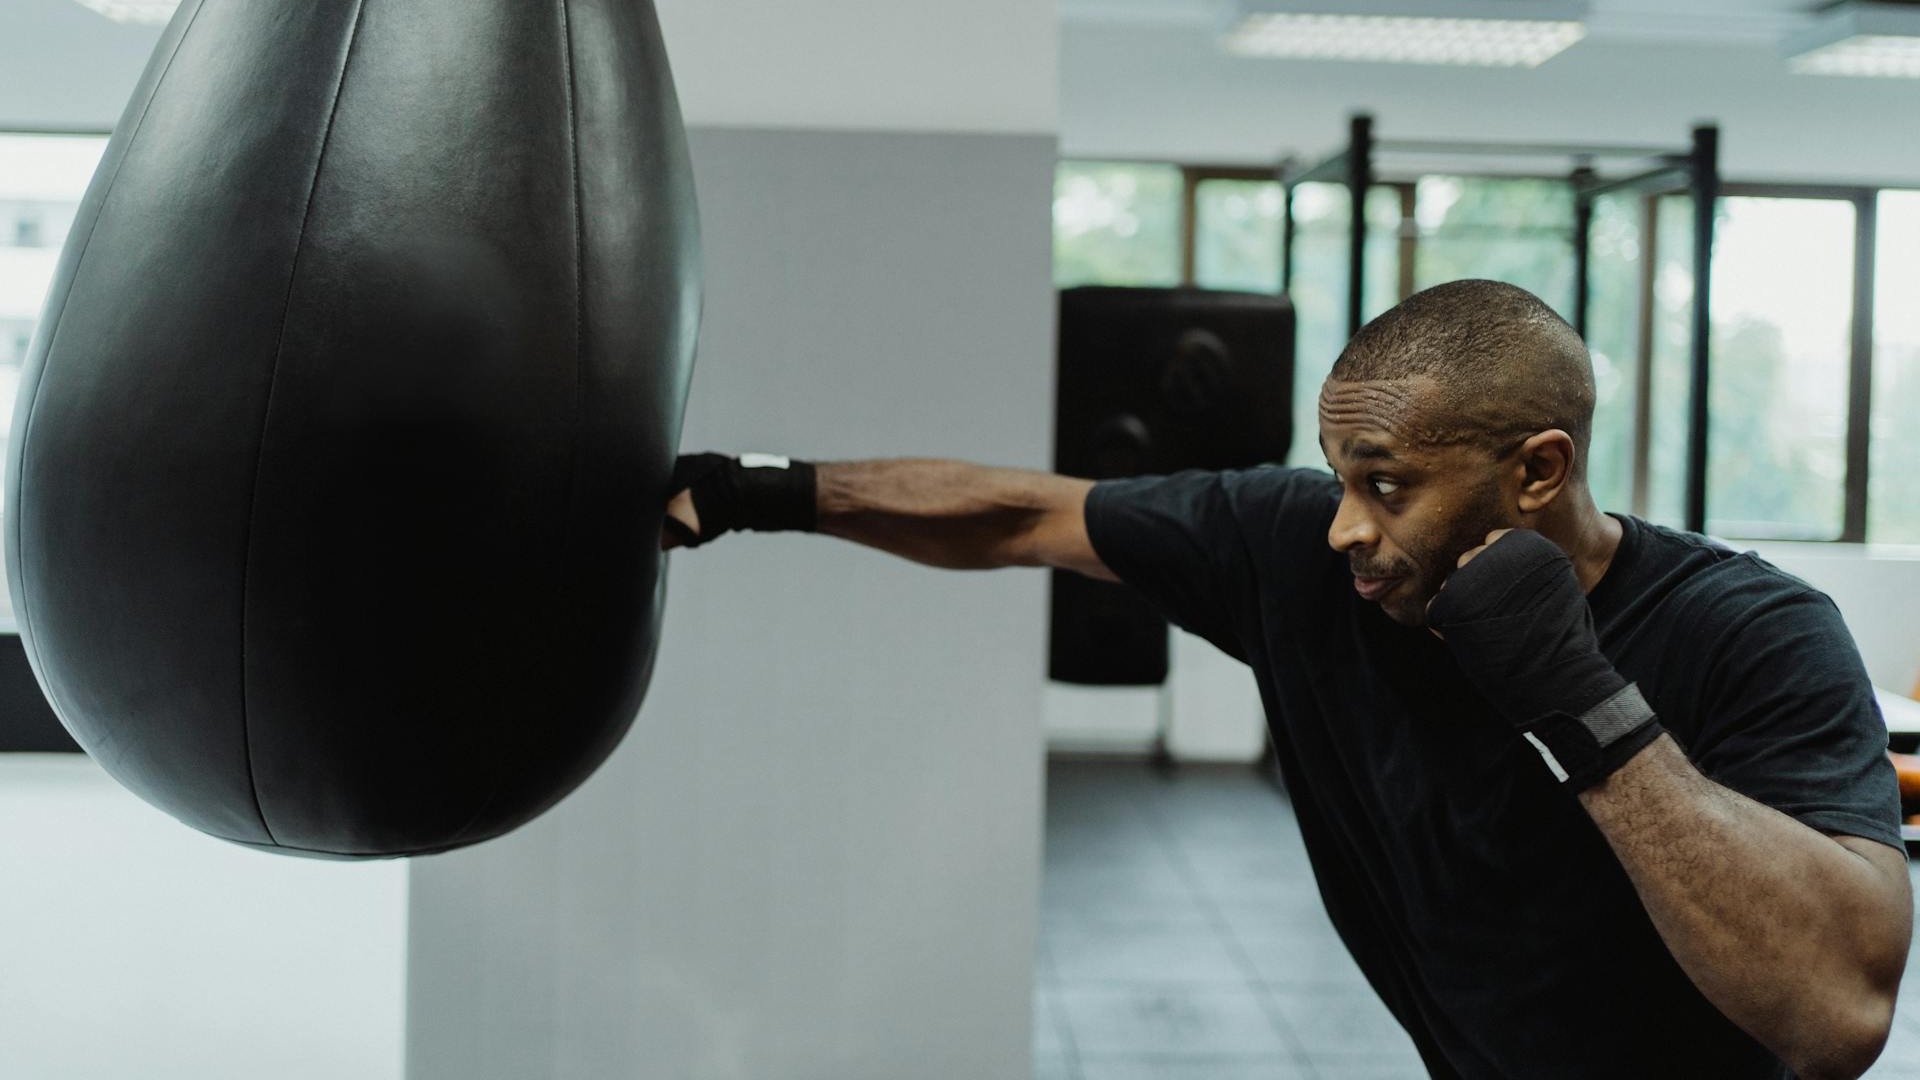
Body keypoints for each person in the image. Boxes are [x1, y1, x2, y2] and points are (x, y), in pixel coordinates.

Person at [659, 278, 1911, 1080]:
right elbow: (1015, 514)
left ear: (1538, 470)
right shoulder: (1298, 555)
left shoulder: (1754, 632)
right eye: (1338, 475)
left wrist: (1582, 702)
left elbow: (1836, 1013)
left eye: (1388, 483)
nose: (1344, 528)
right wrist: (743, 491)